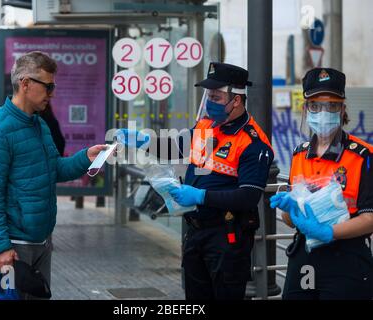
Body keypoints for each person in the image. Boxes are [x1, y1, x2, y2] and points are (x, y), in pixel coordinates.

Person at [117, 62, 274, 300]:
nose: (210, 102)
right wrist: (142, 140)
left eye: (216, 97)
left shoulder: (252, 142)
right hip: (196, 232)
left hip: (227, 236)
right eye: (208, 96)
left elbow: (249, 196)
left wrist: (200, 196)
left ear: (237, 100)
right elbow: (173, 146)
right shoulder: (206, 126)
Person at [0, 51, 107, 299]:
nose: (52, 93)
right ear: (25, 84)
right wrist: (1, 247)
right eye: (48, 86)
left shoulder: (39, 124)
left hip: (42, 242)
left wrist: (85, 157)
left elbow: (53, 169)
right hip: (15, 248)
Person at [270, 68, 373, 300]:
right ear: (306, 109)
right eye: (315, 105)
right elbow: (290, 219)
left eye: (332, 105)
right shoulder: (299, 154)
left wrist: (329, 232)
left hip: (346, 259)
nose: (323, 112)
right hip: (304, 258)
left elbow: (370, 218)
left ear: (343, 109)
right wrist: (289, 208)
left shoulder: (363, 156)